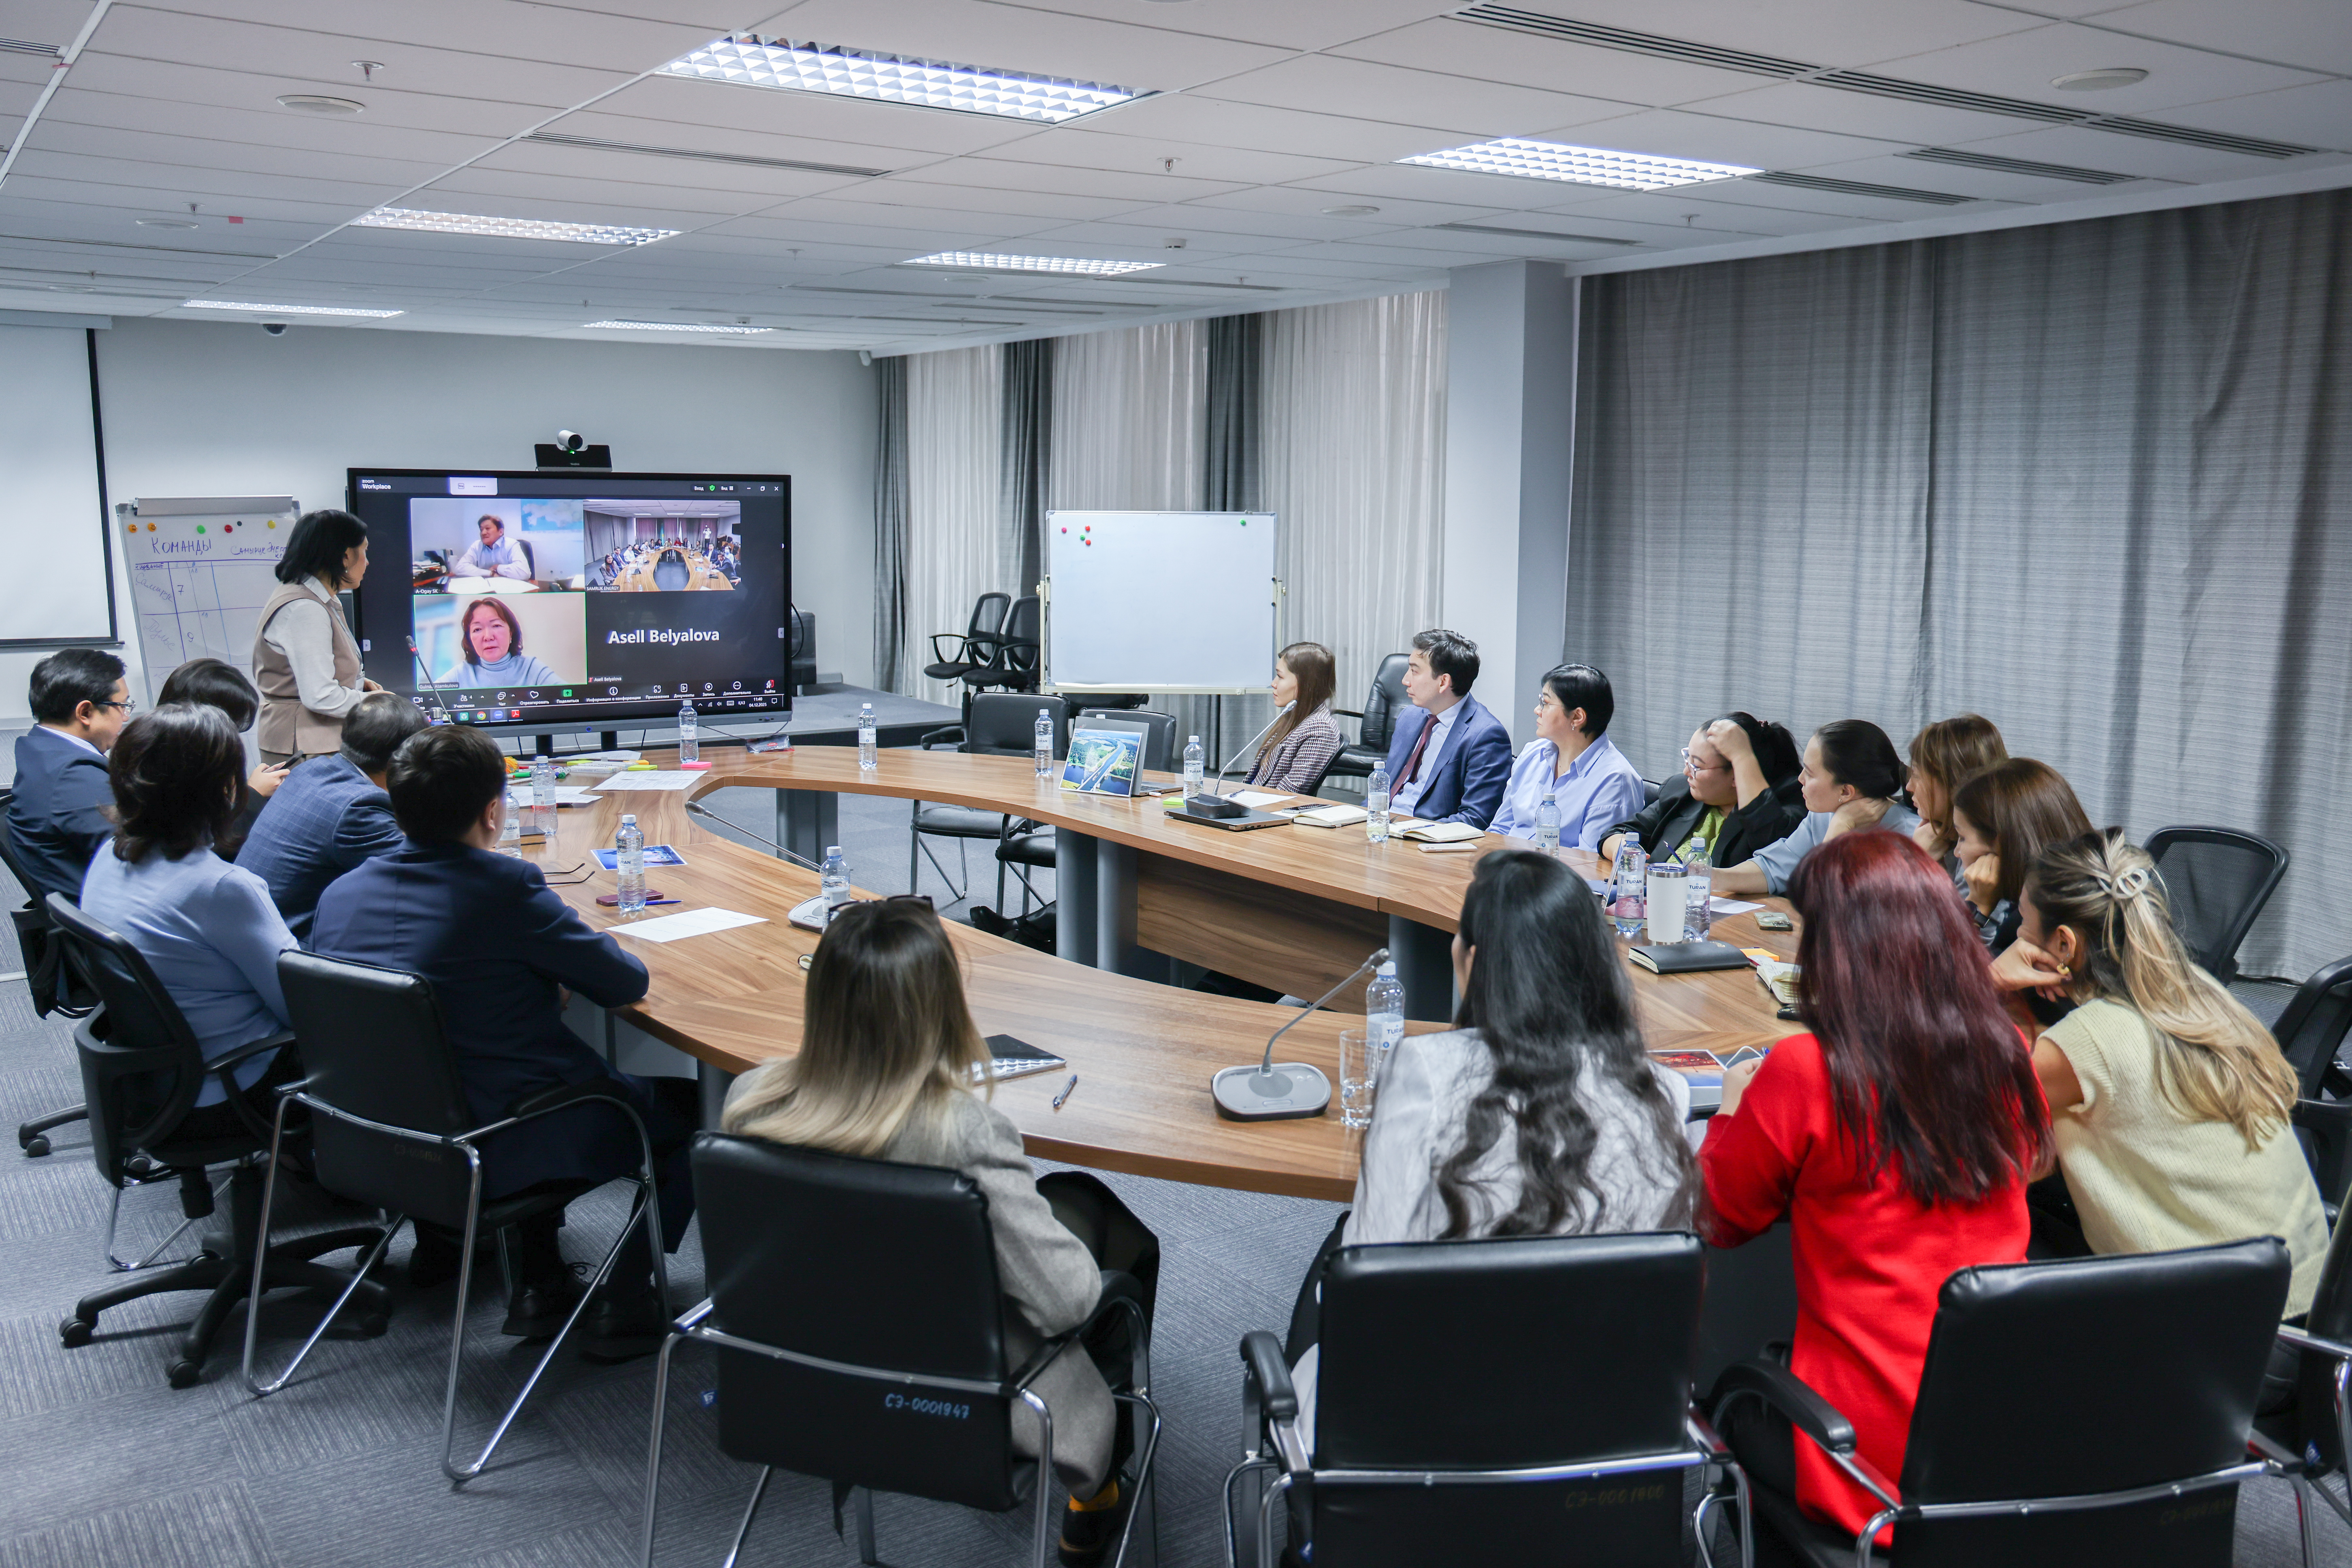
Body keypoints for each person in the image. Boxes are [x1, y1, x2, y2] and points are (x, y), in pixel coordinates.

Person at [722, 898, 1159, 1567]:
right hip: (953, 1400)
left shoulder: (749, 1099)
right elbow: (1066, 1302)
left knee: (1067, 1206)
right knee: (1111, 1237)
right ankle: (1093, 1496)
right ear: (939, 1008)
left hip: (805, 1381)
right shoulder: (962, 1131)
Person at [1282, 851, 1698, 1457]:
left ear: (1474, 962)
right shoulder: (1666, 1091)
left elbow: (1366, 1290)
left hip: (1423, 1440)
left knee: (1335, 1263)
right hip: (1596, 1445)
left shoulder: (1426, 1071)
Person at [1704, 832, 2051, 1542]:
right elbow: (2027, 1160)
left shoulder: (1808, 1068)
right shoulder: (2007, 1052)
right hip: (1992, 1433)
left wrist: (1731, 1111)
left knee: (1730, 1403)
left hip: (1859, 1449)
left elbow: (1719, 1215)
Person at [309, 725, 694, 1360]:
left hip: (376, 1133)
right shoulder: (503, 891)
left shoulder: (340, 894)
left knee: (505, 1068)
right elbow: (624, 982)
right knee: (692, 1117)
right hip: (491, 1141)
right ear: (494, 811)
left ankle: (541, 1285)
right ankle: (624, 1302)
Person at [1996, 831, 2327, 1314]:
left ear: (2064, 943)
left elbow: (1974, 1097)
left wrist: (1990, 983)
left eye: (2023, 923)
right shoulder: (2197, 989)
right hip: (2305, 1304)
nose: (2018, 935)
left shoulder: (2089, 1042)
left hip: (2232, 1336)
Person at [78, 705, 300, 1130]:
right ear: (223, 789)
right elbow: (299, 1007)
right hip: (230, 1085)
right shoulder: (221, 887)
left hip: (157, 1077)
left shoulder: (109, 854)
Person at [233, 692, 427, 939]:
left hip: (249, 934)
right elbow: (425, 874)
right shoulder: (358, 807)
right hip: (291, 952)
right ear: (406, 760)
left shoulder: (311, 771)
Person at [1712, 720, 1920, 897]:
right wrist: (1708, 877)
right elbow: (1774, 868)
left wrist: (1840, 827)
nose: (1800, 779)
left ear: (1846, 792)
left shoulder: (1911, 836)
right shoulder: (1824, 816)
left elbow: (1825, 901)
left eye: (1810, 774)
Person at [253, 509, 383, 766]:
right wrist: (375, 703)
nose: (367, 561)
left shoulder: (312, 597)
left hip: (311, 740)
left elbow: (307, 671)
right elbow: (320, 695)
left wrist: (356, 682)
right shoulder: (305, 608)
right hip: (307, 744)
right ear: (346, 556)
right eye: (365, 551)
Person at [1599, 711, 1804, 870]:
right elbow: (1617, 833)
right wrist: (1625, 850)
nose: (1686, 771)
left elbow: (1772, 846)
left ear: (1737, 774)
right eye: (1687, 758)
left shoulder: (1786, 806)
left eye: (1696, 766)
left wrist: (1743, 757)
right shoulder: (1681, 791)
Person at [5, 649, 132, 901]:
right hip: (110, 923)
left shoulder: (42, 752)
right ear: (85, 713)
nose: (126, 718)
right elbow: (139, 854)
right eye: (123, 706)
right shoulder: (73, 776)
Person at [1488, 663, 1646, 851]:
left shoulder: (1615, 780)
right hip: (1504, 870)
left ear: (1578, 717)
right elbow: (1499, 830)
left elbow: (1591, 863)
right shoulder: (1532, 754)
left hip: (1556, 876)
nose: (1537, 710)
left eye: (1545, 704)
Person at [1948, 758, 2090, 955]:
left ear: (2003, 842)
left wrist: (1977, 908)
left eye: (1963, 838)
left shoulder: (2033, 925)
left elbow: (1948, 978)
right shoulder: (2078, 892)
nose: (1957, 852)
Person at [1379, 629, 1512, 829]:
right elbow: (1383, 791)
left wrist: (1407, 831)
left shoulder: (1486, 735)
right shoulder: (1410, 717)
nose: (1405, 680)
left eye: (1414, 671)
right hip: (1382, 827)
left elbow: (1475, 819)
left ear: (1443, 682)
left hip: (1426, 840)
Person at [156, 657, 284, 854]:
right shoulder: (175, 773)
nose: (232, 738)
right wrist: (253, 795)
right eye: (229, 725)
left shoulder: (163, 751)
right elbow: (215, 848)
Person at [1905, 714, 2007, 883]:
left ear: (1952, 782)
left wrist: (1917, 861)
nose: (1909, 787)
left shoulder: (1978, 860)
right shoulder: (1941, 836)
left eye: (1916, 775)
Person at [1246, 641, 1344, 794]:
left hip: (1273, 813)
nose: (1273, 684)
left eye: (1280, 676)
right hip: (1254, 802)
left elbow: (1289, 793)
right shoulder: (1294, 717)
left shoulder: (1320, 729)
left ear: (1306, 684)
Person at [441, 597, 557, 688]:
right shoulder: (460, 674)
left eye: (496, 626)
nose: (488, 637)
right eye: (477, 629)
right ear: (470, 638)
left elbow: (568, 700)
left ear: (511, 632)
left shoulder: (531, 668)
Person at [449, 513, 532, 580]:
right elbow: (460, 568)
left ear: (501, 532)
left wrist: (497, 567)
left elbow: (524, 573)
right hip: (484, 591)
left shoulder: (511, 544)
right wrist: (490, 573)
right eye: (481, 530)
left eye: (488, 528)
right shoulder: (477, 546)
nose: (483, 533)